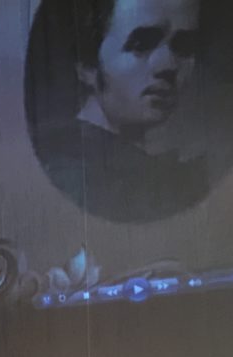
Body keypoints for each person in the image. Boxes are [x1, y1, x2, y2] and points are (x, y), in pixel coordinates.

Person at [31, 0, 207, 221]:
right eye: (141, 45)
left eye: (184, 47)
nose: (168, 65)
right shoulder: (71, 172)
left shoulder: (161, 174)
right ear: (87, 65)